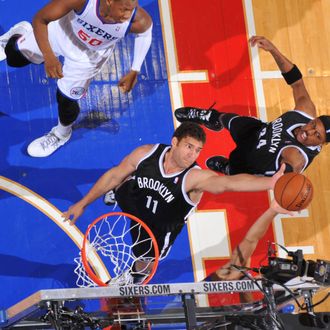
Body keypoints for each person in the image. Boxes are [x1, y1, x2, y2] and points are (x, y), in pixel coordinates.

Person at [63, 122, 284, 282]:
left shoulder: (195, 178)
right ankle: (118, 194)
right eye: (189, 147)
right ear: (174, 142)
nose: (192, 155)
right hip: (136, 199)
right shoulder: (146, 153)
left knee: (146, 260)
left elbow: (230, 184)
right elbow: (113, 175)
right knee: (120, 181)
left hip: (159, 225)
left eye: (198, 150)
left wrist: (270, 182)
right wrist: (82, 203)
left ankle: (134, 278)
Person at [0, 0, 153, 157]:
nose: (127, 15)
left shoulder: (137, 20)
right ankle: (21, 32)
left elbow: (146, 32)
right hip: (61, 32)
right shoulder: (83, 2)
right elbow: (40, 19)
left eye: (131, 9)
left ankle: (61, 134)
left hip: (87, 57)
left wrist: (135, 69)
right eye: (124, 9)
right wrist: (49, 56)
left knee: (66, 99)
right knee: (14, 58)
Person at [175, 36, 330, 176]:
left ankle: (228, 168)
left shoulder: (297, 156)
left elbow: (291, 169)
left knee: (235, 168)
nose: (308, 132)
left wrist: (288, 183)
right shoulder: (305, 111)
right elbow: (296, 81)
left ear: (322, 143)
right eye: (313, 125)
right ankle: (212, 119)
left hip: (253, 162)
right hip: (258, 131)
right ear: (313, 118)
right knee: (227, 118)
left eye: (317, 135)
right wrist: (273, 50)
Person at [204, 199, 291, 282]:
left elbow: (250, 240)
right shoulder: (219, 280)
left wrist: (272, 211)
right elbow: (250, 240)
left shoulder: (238, 277)